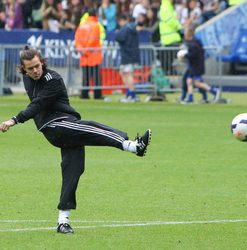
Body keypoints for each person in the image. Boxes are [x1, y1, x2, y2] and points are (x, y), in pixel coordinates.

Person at [0, 46, 152, 234]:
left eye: (37, 66)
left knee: (73, 170)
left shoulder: (53, 79)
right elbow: (36, 105)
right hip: (55, 126)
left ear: (42, 62)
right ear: (23, 69)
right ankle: (132, 146)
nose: (35, 71)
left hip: (65, 123)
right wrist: (15, 119)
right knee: (92, 127)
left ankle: (63, 221)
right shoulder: (27, 78)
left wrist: (14, 119)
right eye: (30, 68)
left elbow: (37, 104)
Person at [177, 26, 219, 103]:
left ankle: (214, 91)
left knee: (197, 83)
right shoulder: (194, 42)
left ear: (188, 35)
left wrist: (184, 56)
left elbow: (193, 55)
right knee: (189, 81)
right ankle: (190, 98)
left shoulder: (193, 44)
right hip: (193, 65)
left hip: (196, 66)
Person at [74, 8, 105, 100]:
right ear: (95, 14)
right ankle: (97, 94)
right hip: (93, 55)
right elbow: (94, 40)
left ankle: (84, 94)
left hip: (84, 56)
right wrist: (87, 50)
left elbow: (77, 40)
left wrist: (81, 50)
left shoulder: (81, 25)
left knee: (85, 76)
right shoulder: (96, 25)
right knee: (96, 77)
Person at [115, 14, 140, 103]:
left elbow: (118, 37)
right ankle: (129, 93)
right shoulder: (132, 28)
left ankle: (132, 95)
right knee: (123, 73)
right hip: (130, 54)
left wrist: (118, 32)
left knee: (128, 74)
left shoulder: (126, 29)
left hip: (127, 54)